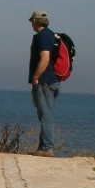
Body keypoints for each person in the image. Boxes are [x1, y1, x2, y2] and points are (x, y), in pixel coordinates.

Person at [28, 9, 60, 157]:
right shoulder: (51, 35)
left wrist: (36, 76)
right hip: (53, 79)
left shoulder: (42, 36)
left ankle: (47, 148)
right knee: (46, 113)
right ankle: (43, 147)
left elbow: (45, 58)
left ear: (34, 21)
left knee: (45, 114)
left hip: (44, 81)